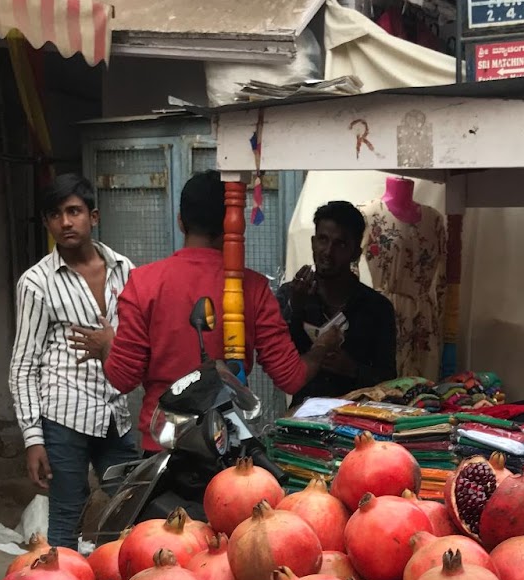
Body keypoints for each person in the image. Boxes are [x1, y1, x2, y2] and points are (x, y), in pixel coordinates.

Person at [91, 173, 345, 450]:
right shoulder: (252, 288)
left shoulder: (143, 283)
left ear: (180, 221)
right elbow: (291, 377)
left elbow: (123, 379)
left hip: (163, 445)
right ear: (233, 225)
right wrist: (321, 348)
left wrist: (106, 345)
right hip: (228, 444)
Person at [8, 173, 136, 550]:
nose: (65, 222)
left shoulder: (125, 270)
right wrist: (33, 439)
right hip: (65, 416)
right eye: (55, 215)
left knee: (128, 509)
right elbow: (23, 366)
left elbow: (138, 339)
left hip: (116, 413)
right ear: (47, 223)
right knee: (66, 517)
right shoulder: (36, 283)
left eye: (74, 211)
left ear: (92, 216)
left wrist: (113, 343)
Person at [283, 202, 397, 397]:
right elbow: (283, 367)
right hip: (302, 418)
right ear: (312, 242)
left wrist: (352, 370)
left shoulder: (377, 308)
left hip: (359, 420)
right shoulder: (291, 296)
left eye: (340, 244)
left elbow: (390, 381)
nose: (328, 251)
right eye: (323, 239)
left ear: (355, 254)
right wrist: (296, 310)